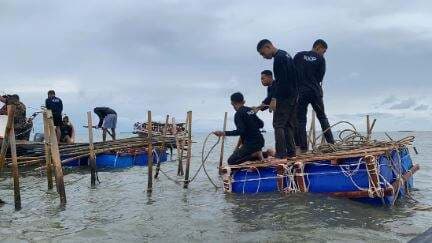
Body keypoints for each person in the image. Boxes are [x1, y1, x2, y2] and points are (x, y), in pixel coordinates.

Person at [257, 39, 298, 158]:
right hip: (293, 96)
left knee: (278, 125)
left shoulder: (278, 58)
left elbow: (280, 82)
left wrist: (274, 99)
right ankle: (291, 152)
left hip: (284, 97)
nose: (263, 57)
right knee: (288, 126)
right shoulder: (286, 55)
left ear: (268, 47)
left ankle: (280, 154)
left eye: (262, 53)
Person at [294, 39, 335, 152]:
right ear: (318, 47)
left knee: (301, 120)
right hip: (315, 91)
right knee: (322, 117)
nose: (323, 53)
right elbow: (319, 77)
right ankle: (331, 144)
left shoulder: (298, 56)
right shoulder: (321, 59)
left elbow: (293, 73)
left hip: (301, 92)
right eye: (324, 51)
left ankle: (303, 148)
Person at [213, 92, 265, 165]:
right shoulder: (250, 110)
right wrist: (251, 118)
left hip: (251, 144)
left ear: (232, 103)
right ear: (243, 101)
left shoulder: (238, 114)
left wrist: (223, 133)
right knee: (241, 154)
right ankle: (263, 153)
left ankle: (255, 154)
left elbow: (240, 131)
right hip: (260, 142)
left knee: (231, 161)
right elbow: (261, 124)